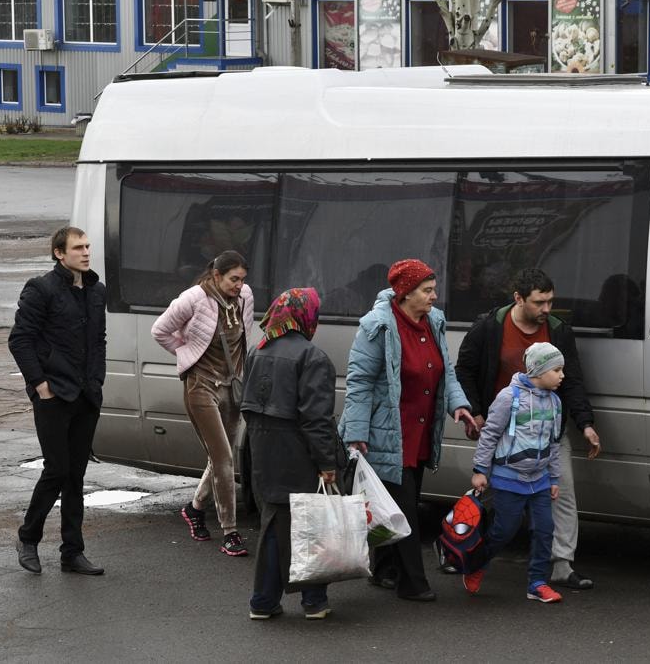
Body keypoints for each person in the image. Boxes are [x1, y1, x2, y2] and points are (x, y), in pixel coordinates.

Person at [339, 258, 476, 602]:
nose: (434, 296)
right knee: (406, 513)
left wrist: (459, 406)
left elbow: (447, 375)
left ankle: (385, 569)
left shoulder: (435, 322)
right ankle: (413, 584)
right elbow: (359, 382)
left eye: (433, 289)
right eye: (427, 291)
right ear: (405, 293)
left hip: (421, 432)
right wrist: (356, 432)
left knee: (399, 505)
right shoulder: (378, 326)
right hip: (388, 433)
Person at [456, 267, 600, 590]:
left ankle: (562, 565)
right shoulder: (490, 326)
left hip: (548, 431)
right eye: (539, 303)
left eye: (550, 301)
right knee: (488, 496)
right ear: (518, 299)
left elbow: (573, 381)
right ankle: (459, 549)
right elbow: (464, 368)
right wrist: (476, 412)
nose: (547, 309)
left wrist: (586, 424)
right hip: (505, 429)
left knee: (562, 493)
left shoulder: (559, 330)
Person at [9, 227, 107, 576]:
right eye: (77, 247)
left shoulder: (97, 291)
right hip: (53, 395)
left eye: (87, 246)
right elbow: (20, 340)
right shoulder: (41, 289)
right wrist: (40, 384)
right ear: (58, 253)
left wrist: (97, 380)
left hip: (85, 395)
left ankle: (72, 552)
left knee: (76, 476)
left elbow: (99, 340)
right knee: (57, 470)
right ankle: (28, 537)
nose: (85, 252)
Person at [241, 288, 341, 620]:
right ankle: (313, 600)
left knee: (275, 522)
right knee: (312, 524)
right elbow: (317, 418)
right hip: (298, 451)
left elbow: (248, 407)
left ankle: (265, 601)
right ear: (306, 315)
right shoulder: (313, 357)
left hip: (263, 449)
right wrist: (327, 462)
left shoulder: (258, 349)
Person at [151, 250, 254, 557]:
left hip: (232, 386)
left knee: (220, 456)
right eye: (233, 279)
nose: (239, 285)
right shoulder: (194, 298)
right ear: (216, 276)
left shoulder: (245, 297)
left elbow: (246, 337)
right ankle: (230, 532)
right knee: (224, 458)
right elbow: (160, 331)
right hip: (201, 386)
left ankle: (195, 508)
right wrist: (187, 354)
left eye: (242, 279)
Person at [464, 342, 566, 603]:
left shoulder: (555, 401)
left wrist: (554, 478)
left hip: (540, 480)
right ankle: (476, 564)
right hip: (509, 479)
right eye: (557, 370)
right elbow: (489, 435)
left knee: (545, 530)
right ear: (539, 371)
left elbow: (554, 442)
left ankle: (537, 583)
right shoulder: (509, 397)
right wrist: (480, 470)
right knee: (504, 530)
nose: (561, 375)